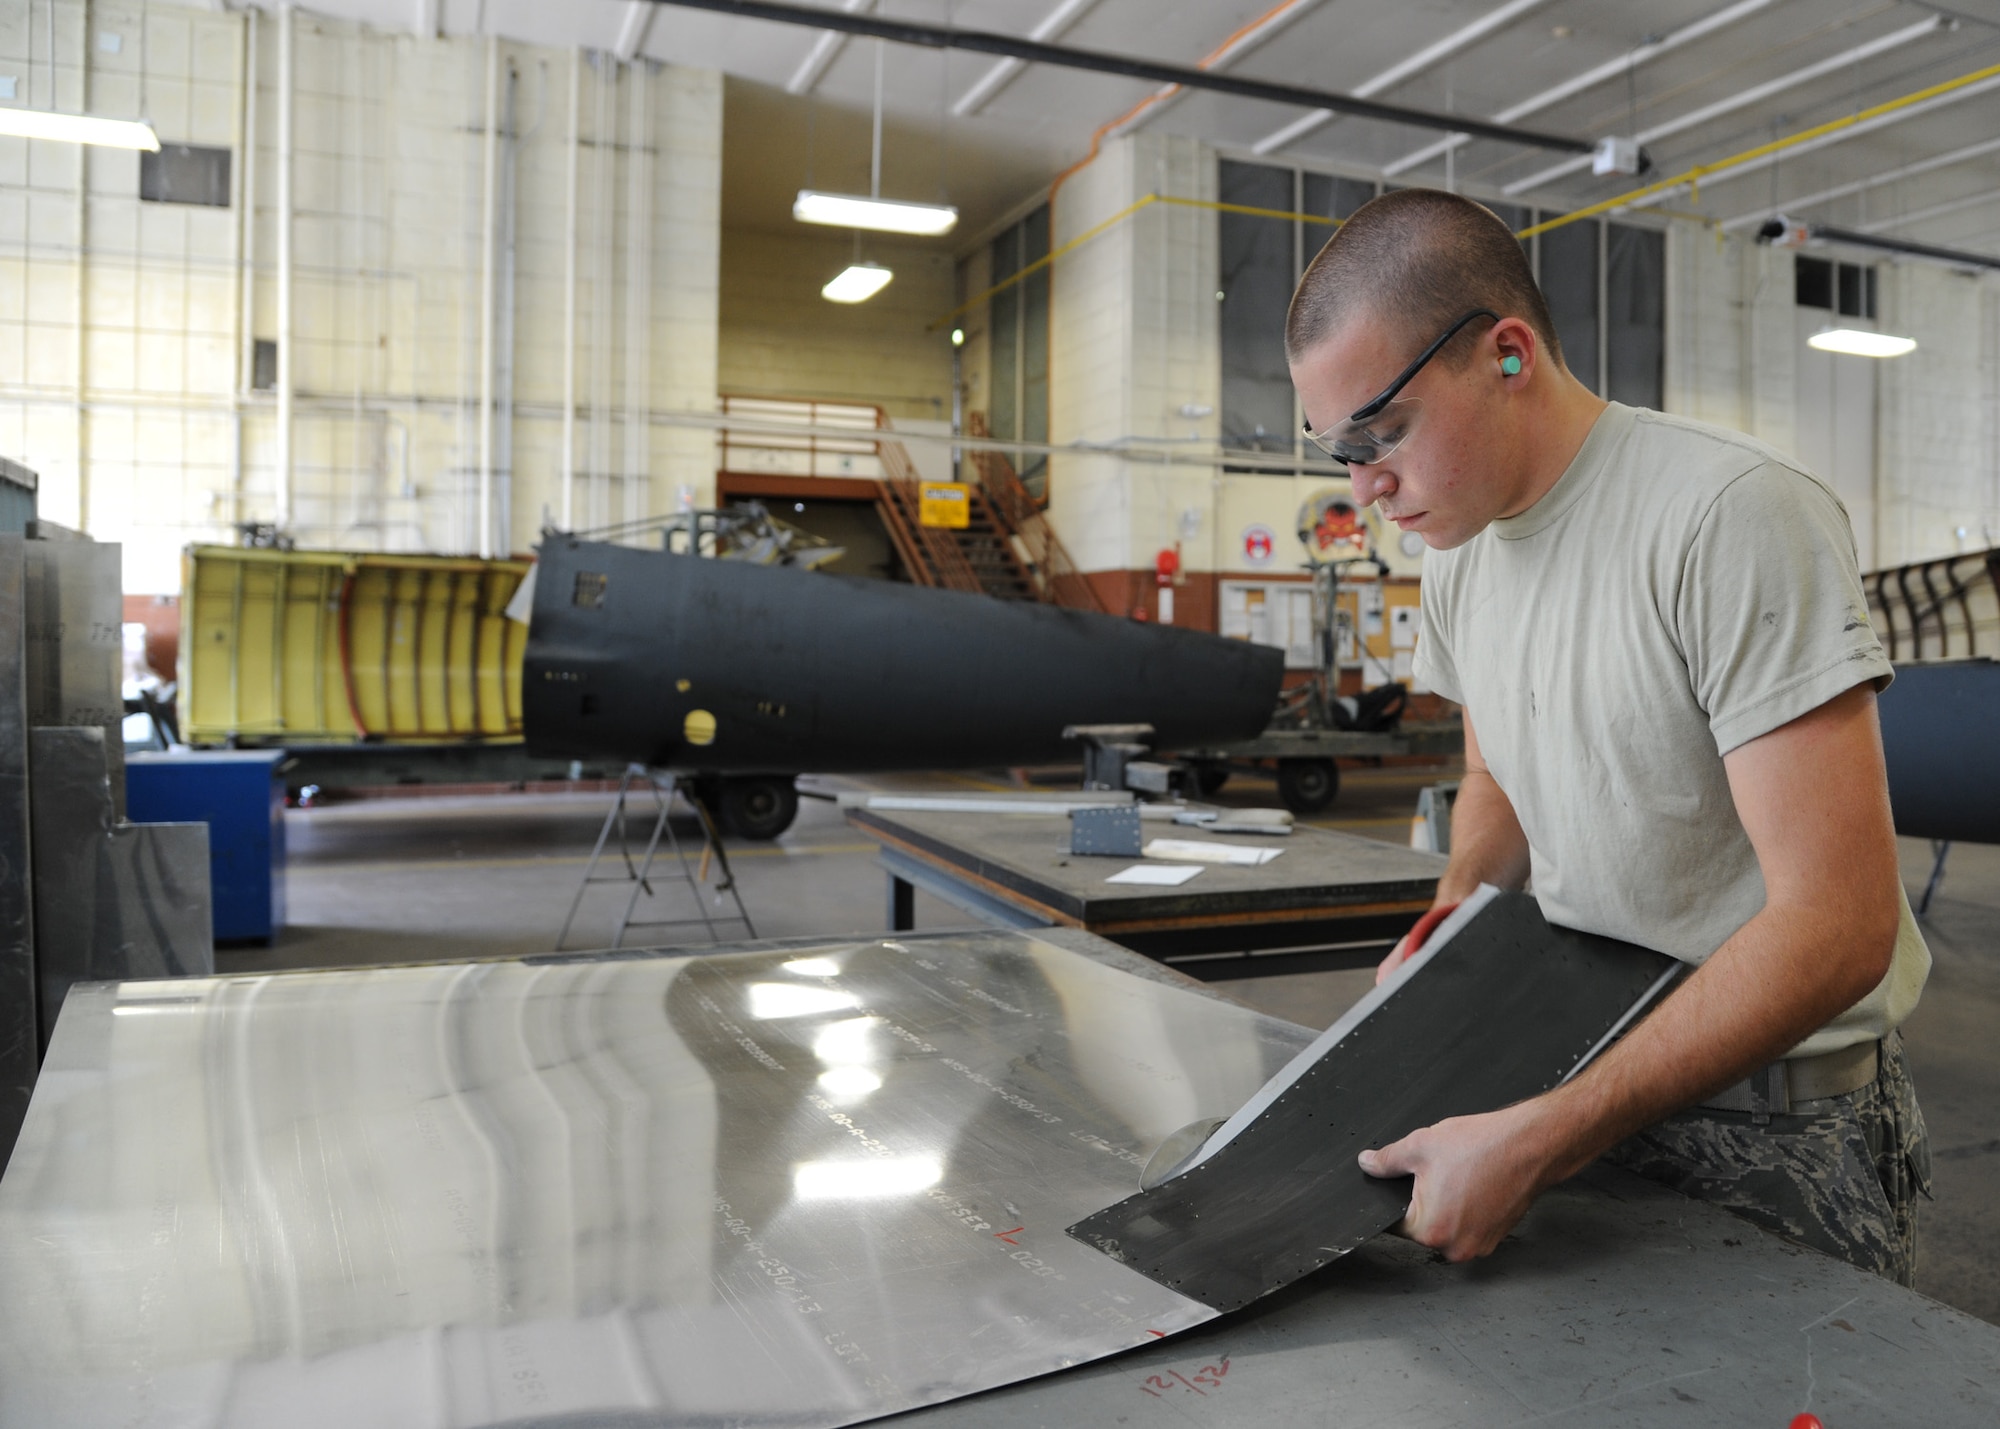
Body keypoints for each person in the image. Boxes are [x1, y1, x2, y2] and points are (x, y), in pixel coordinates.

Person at [1285, 188, 1932, 1284]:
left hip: (1772, 1125)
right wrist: (1462, 900)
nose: (1364, 486)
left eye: (1379, 434)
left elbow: (1836, 927)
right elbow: (1495, 771)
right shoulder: (1458, 554)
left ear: (1505, 353)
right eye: (1336, 452)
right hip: (1578, 1079)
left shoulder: (1726, 516)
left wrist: (1545, 1135)